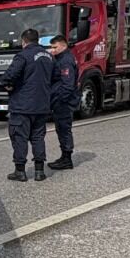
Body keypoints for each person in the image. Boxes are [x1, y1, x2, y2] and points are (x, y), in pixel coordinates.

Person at [3, 28, 55, 182]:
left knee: (19, 137)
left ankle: (20, 171)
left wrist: (7, 84)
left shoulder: (23, 55)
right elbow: (56, 77)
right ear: (38, 40)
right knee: (38, 137)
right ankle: (39, 171)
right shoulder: (49, 57)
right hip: (42, 104)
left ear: (24, 41)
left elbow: (10, 75)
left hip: (23, 105)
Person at [47, 33, 77, 170]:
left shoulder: (65, 61)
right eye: (51, 47)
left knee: (64, 129)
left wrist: (60, 100)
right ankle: (64, 156)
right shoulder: (59, 59)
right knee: (61, 129)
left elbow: (68, 85)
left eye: (55, 47)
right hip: (59, 100)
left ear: (63, 46)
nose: (52, 50)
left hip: (64, 102)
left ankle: (67, 158)